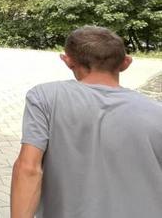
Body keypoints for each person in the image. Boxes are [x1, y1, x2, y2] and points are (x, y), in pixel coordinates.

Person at [11, 26, 162, 218]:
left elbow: (28, 168)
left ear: (67, 61)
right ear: (126, 63)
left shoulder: (45, 97)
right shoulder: (157, 112)